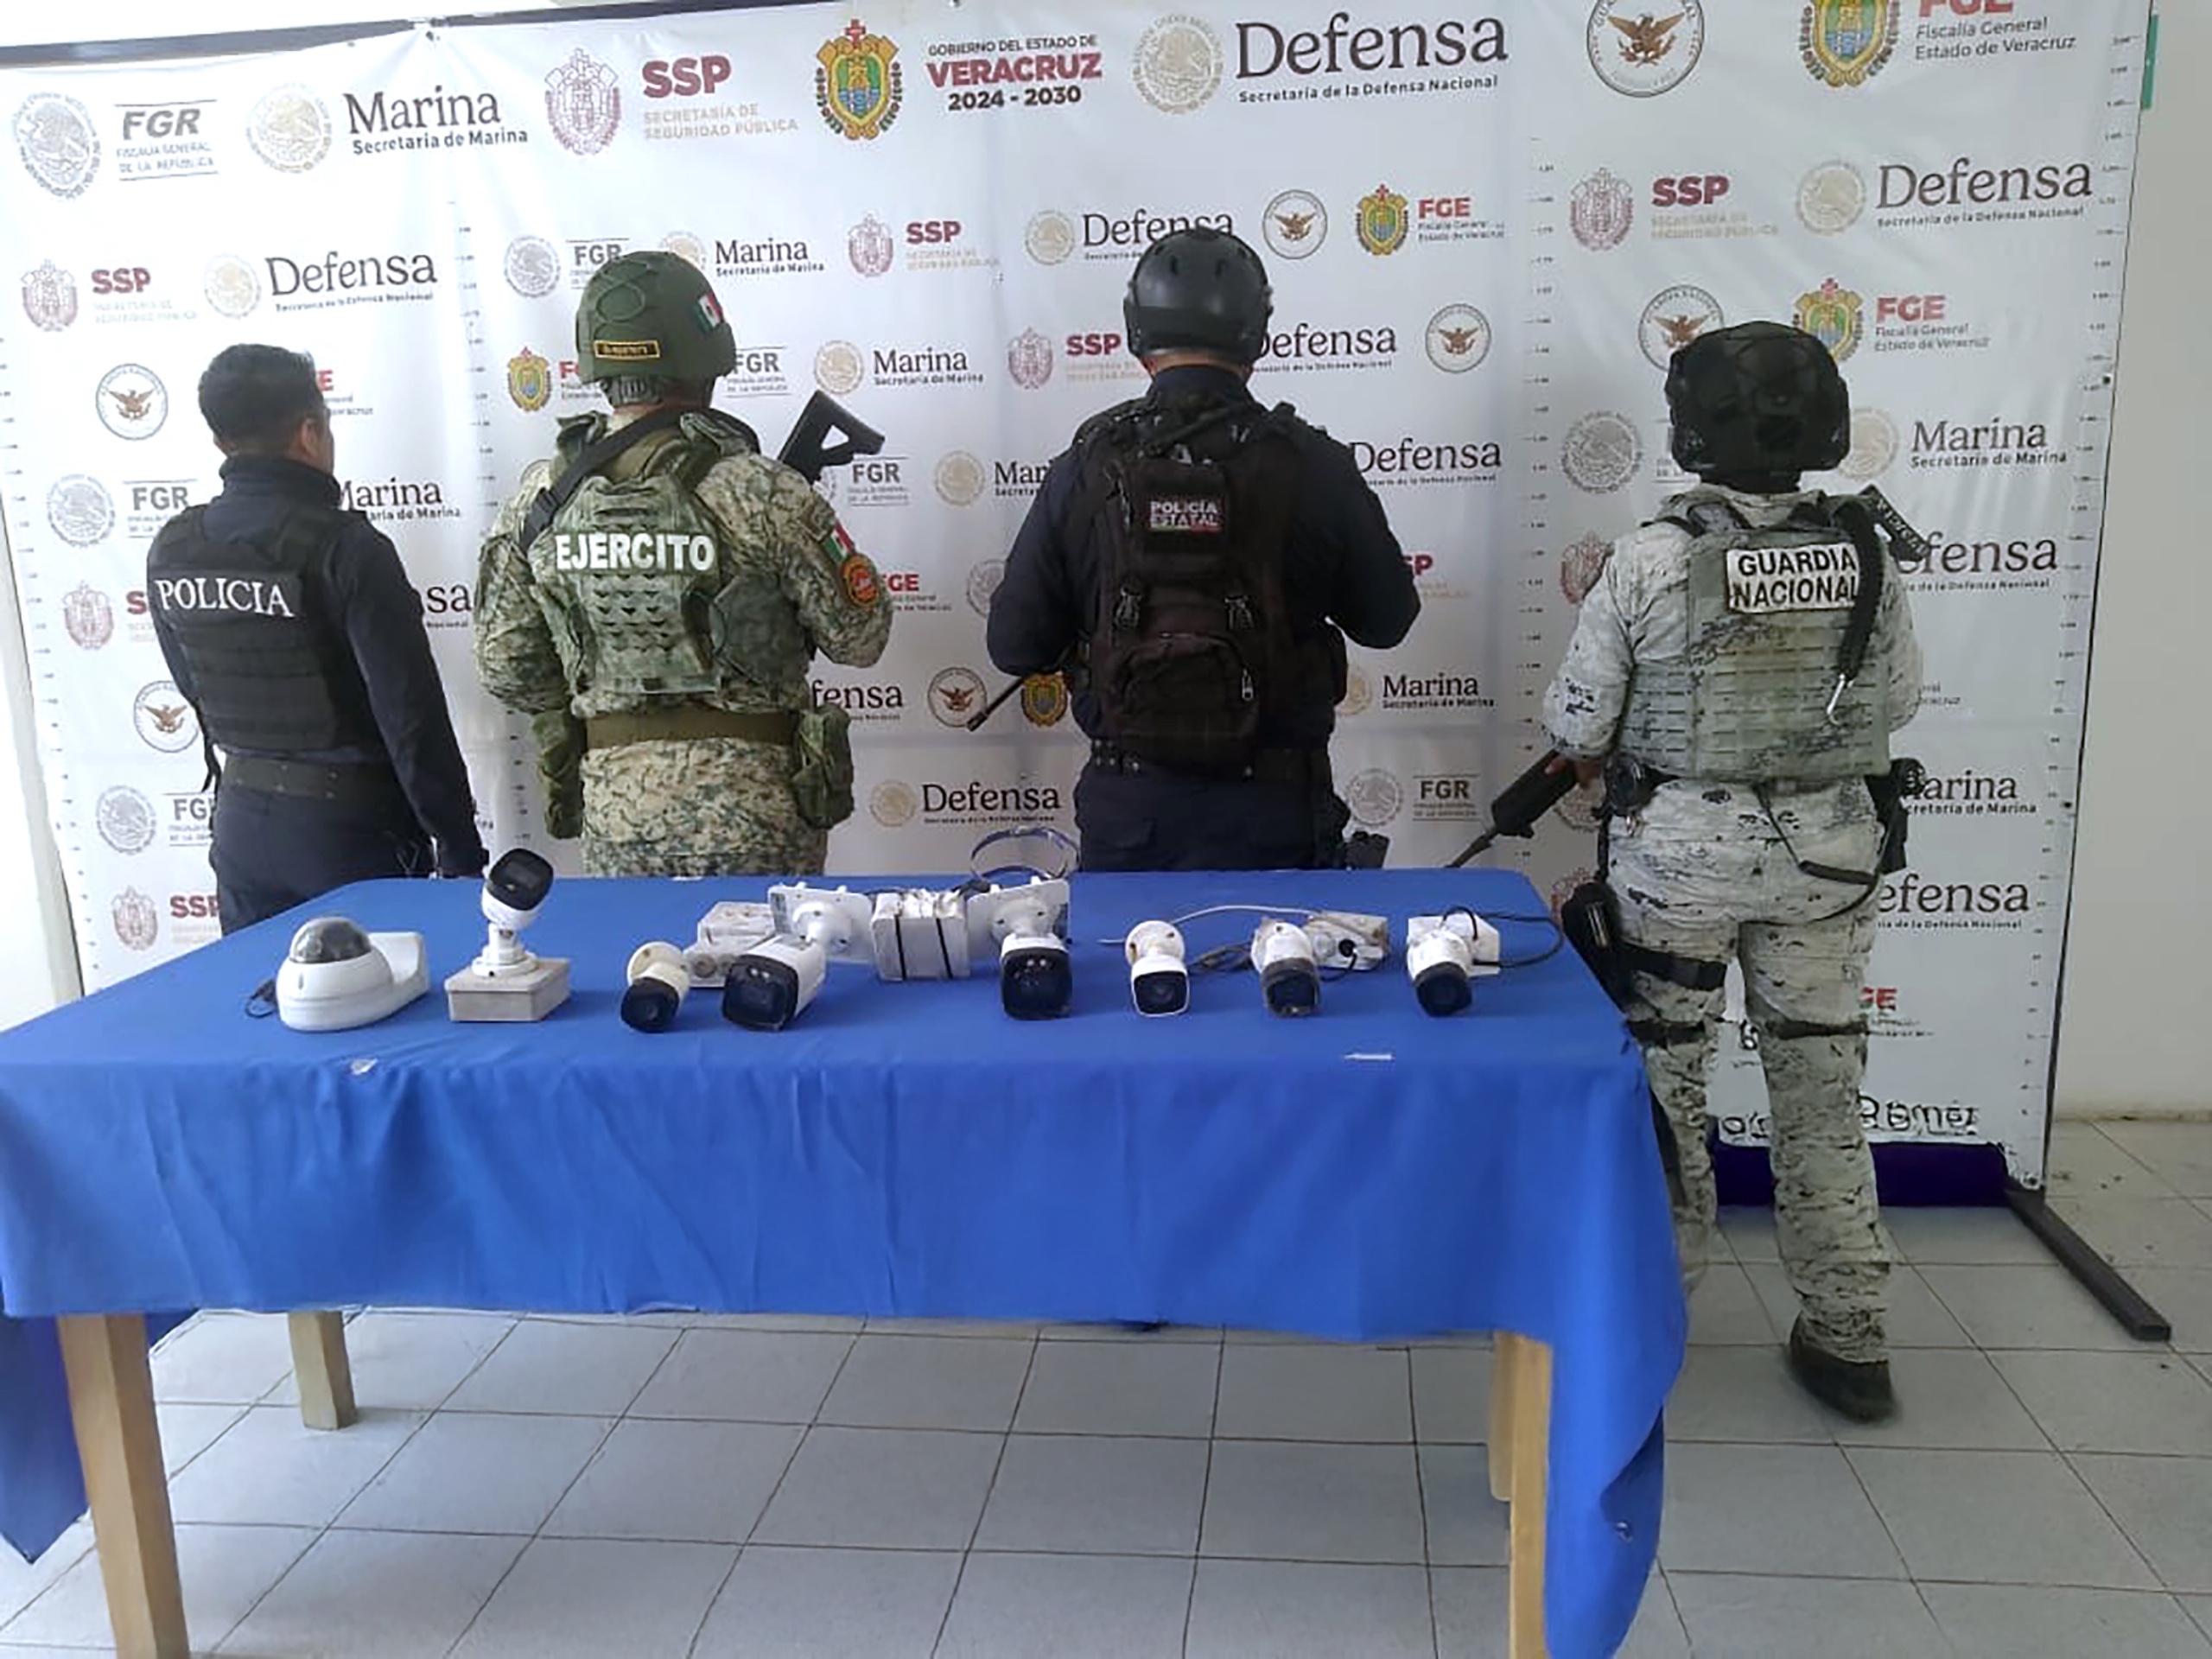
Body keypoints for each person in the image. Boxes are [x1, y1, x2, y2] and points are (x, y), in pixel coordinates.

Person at [1541, 321, 1923, 1422]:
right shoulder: (1864, 551)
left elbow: (1578, 723)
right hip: (1828, 864)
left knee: (1663, 1090)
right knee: (1820, 1088)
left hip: (1679, 868)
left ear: (1690, 428)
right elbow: (1896, 704)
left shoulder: (1650, 557)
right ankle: (1850, 1337)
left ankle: (1646, 1331)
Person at [987, 226, 1419, 870]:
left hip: (1129, 818)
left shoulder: (1085, 467)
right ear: (1256, 335)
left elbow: (1014, 646)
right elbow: (1387, 622)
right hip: (1275, 815)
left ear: (1136, 332)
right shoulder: (1315, 465)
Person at [474, 251, 891, 875]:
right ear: (706, 356)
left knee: (641, 946)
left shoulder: (539, 500)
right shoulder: (761, 491)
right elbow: (861, 638)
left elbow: (510, 670)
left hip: (619, 818)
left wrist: (612, 665)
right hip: (759, 816)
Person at [145, 344, 486, 934]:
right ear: (309, 433)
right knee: (380, 993)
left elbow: (191, 684)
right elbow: (411, 717)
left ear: (221, 441)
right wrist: (458, 848)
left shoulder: (174, 546)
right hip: (347, 832)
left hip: (240, 821)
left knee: (257, 991)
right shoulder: (348, 549)